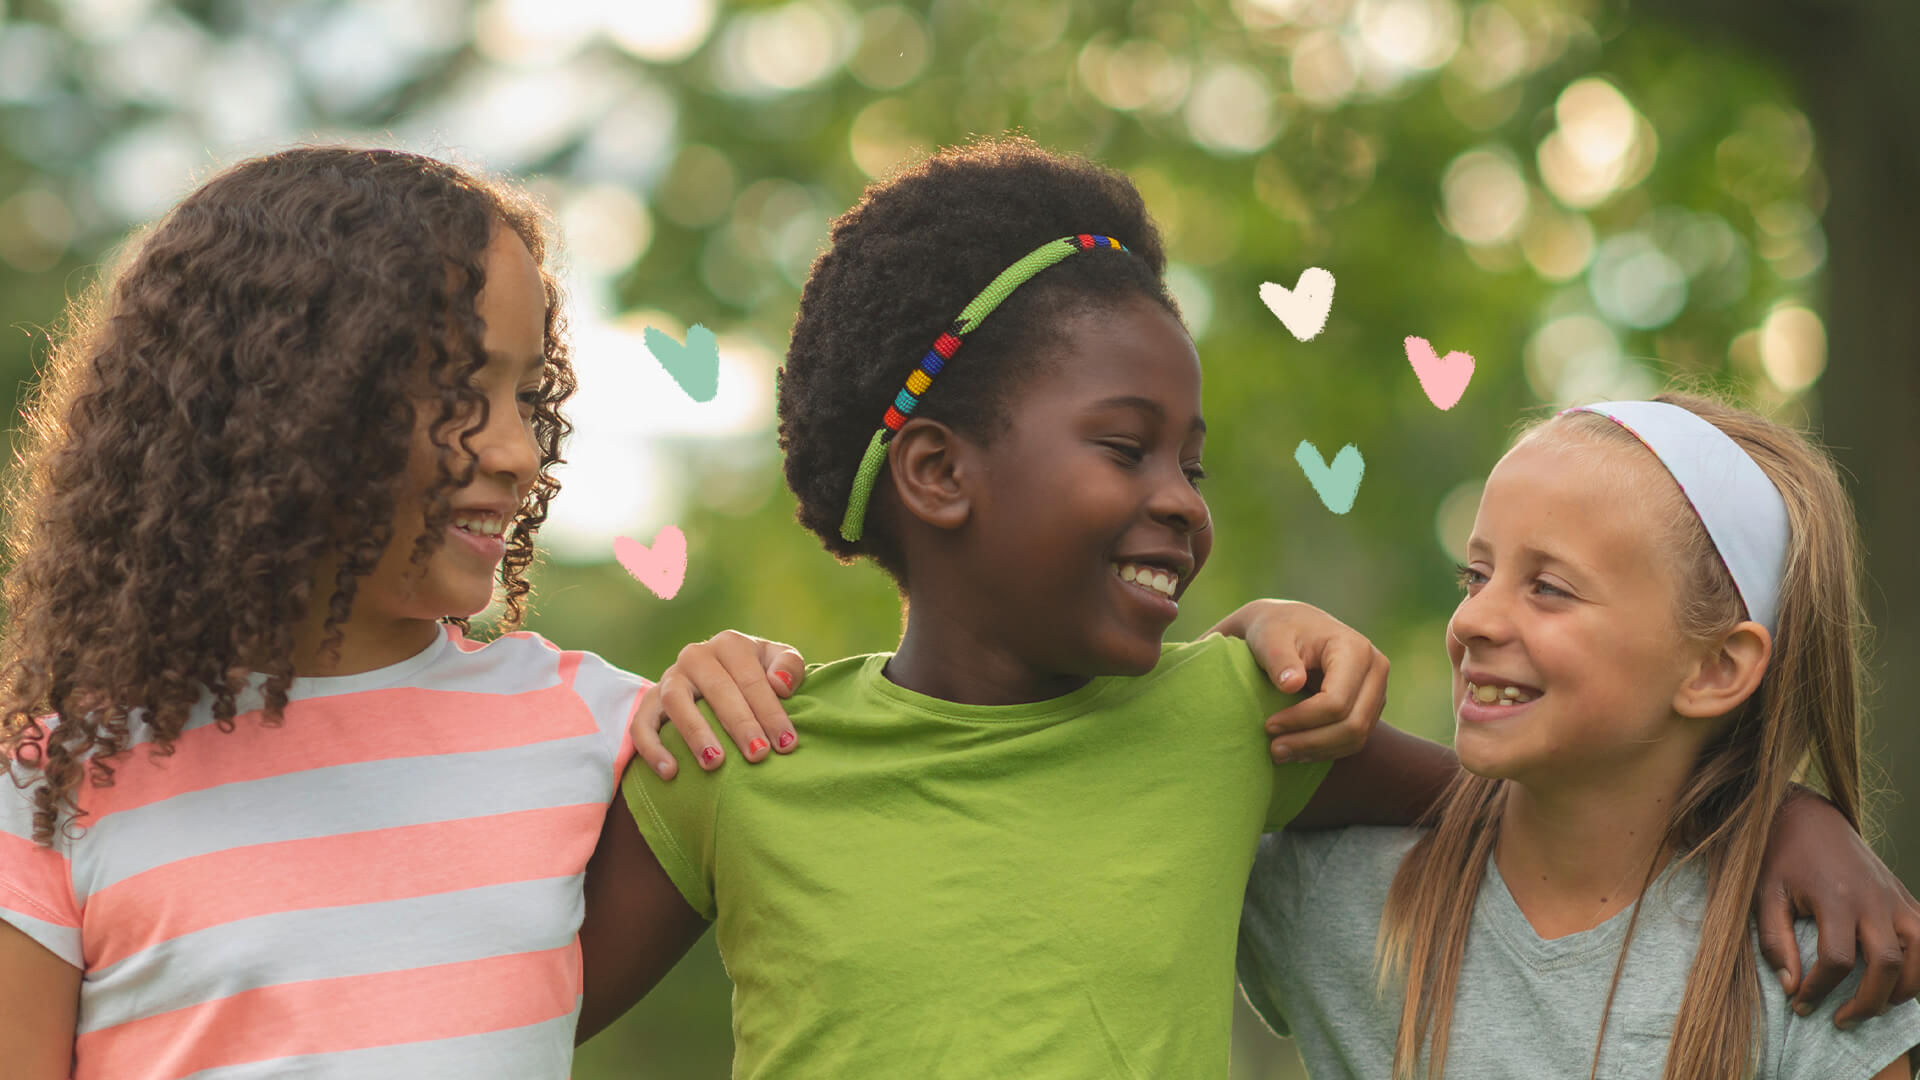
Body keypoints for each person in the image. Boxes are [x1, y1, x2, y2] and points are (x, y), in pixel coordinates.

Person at [600, 138, 1917, 1076]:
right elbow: (497, 1012)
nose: (1181, 500)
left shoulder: (1229, 730)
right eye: (1127, 449)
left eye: (1194, 462)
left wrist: (1783, 811)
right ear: (940, 472)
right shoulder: (737, 756)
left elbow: (1494, 796)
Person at [0, 146, 815, 1080]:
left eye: (524, 396)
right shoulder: (54, 787)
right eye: (465, 393)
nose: (515, 451)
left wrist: (737, 674)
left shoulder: (603, 733)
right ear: (288, 404)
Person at [1237, 393, 1920, 1078]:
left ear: (1716, 667)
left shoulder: (1817, 969)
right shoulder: (1333, 890)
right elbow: (1146, 766)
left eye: (1549, 588)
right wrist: (1245, 639)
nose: (1473, 620)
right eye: (1475, 576)